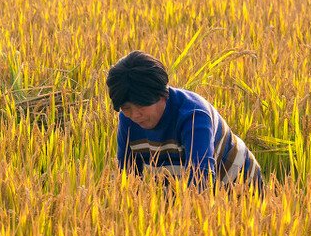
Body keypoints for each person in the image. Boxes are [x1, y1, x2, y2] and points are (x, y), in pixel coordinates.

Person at [106, 50, 263, 191]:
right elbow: (127, 175)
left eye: (141, 106)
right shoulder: (127, 120)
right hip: (181, 184)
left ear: (162, 95)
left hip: (240, 188)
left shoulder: (194, 116)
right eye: (126, 108)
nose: (135, 115)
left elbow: (201, 179)